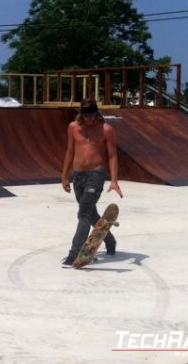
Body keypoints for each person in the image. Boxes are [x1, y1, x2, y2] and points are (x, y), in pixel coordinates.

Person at [60, 98, 122, 266]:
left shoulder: (106, 129)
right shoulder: (73, 127)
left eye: (93, 116)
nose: (89, 119)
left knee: (83, 215)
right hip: (78, 175)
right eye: (86, 116)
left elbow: (112, 155)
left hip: (96, 174)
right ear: (81, 114)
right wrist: (65, 175)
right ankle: (109, 240)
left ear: (97, 113)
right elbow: (70, 151)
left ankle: (74, 253)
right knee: (90, 213)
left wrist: (114, 180)